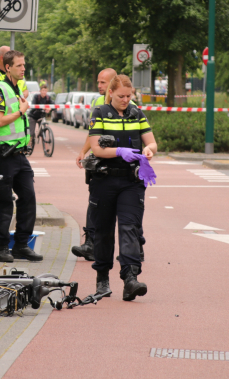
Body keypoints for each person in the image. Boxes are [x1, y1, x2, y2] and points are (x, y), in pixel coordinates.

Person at [88, 75, 157, 301]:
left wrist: (149, 151)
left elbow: (152, 141)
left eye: (129, 96)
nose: (126, 100)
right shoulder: (100, 113)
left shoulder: (137, 114)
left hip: (131, 181)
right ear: (110, 94)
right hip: (105, 179)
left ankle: (130, 278)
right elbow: (96, 149)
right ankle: (102, 281)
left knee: (130, 228)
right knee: (104, 231)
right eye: (121, 96)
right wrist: (119, 151)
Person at [0, 50, 42, 263]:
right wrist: (21, 111)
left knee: (28, 197)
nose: (23, 68)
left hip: (18, 154)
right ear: (8, 67)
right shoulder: (0, 89)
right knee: (4, 201)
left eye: (24, 65)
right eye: (19, 65)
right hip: (4, 155)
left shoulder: (17, 89)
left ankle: (22, 245)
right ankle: (2, 246)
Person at [72, 68, 117, 260]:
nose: (99, 86)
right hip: (100, 160)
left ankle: (136, 244)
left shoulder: (126, 103)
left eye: (103, 83)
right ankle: (90, 243)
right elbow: (93, 132)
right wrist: (84, 151)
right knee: (94, 201)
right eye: (98, 82)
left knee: (123, 206)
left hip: (119, 161)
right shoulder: (98, 102)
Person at [28, 84, 53, 149]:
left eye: (45, 91)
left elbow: (53, 104)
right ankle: (28, 146)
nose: (44, 92)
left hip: (41, 116)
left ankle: (45, 148)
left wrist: (50, 108)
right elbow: (34, 105)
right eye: (43, 90)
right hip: (33, 116)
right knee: (32, 133)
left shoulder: (48, 98)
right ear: (40, 91)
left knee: (43, 133)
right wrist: (43, 108)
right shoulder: (36, 97)